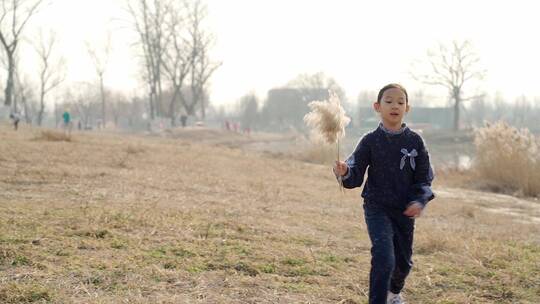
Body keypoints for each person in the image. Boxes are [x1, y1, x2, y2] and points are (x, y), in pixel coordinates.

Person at [334, 83, 435, 304]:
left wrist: (419, 200)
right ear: (377, 106)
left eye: (400, 102)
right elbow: (355, 169)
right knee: (383, 257)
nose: (395, 106)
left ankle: (393, 293)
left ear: (407, 108)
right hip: (376, 207)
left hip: (404, 211)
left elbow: (424, 177)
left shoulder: (415, 141)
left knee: (403, 263)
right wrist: (345, 171)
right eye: (388, 101)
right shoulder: (370, 140)